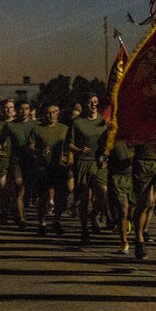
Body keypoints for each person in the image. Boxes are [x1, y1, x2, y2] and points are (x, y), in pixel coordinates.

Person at [66, 93, 108, 246]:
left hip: (98, 164)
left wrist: (105, 155)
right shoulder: (77, 122)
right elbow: (69, 144)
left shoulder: (103, 121)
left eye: (96, 102)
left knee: (103, 195)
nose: (93, 105)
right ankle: (84, 231)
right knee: (84, 200)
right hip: (83, 163)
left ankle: (94, 214)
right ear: (85, 104)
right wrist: (78, 150)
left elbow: (109, 141)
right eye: (90, 102)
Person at [28, 103, 69, 236]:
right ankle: (42, 223)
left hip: (60, 167)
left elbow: (71, 145)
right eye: (48, 112)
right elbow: (30, 146)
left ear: (58, 113)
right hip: (43, 168)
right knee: (44, 197)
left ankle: (57, 221)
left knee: (61, 196)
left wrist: (69, 157)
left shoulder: (64, 129)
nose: (51, 115)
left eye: (54, 112)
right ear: (44, 114)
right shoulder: (37, 129)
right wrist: (39, 151)